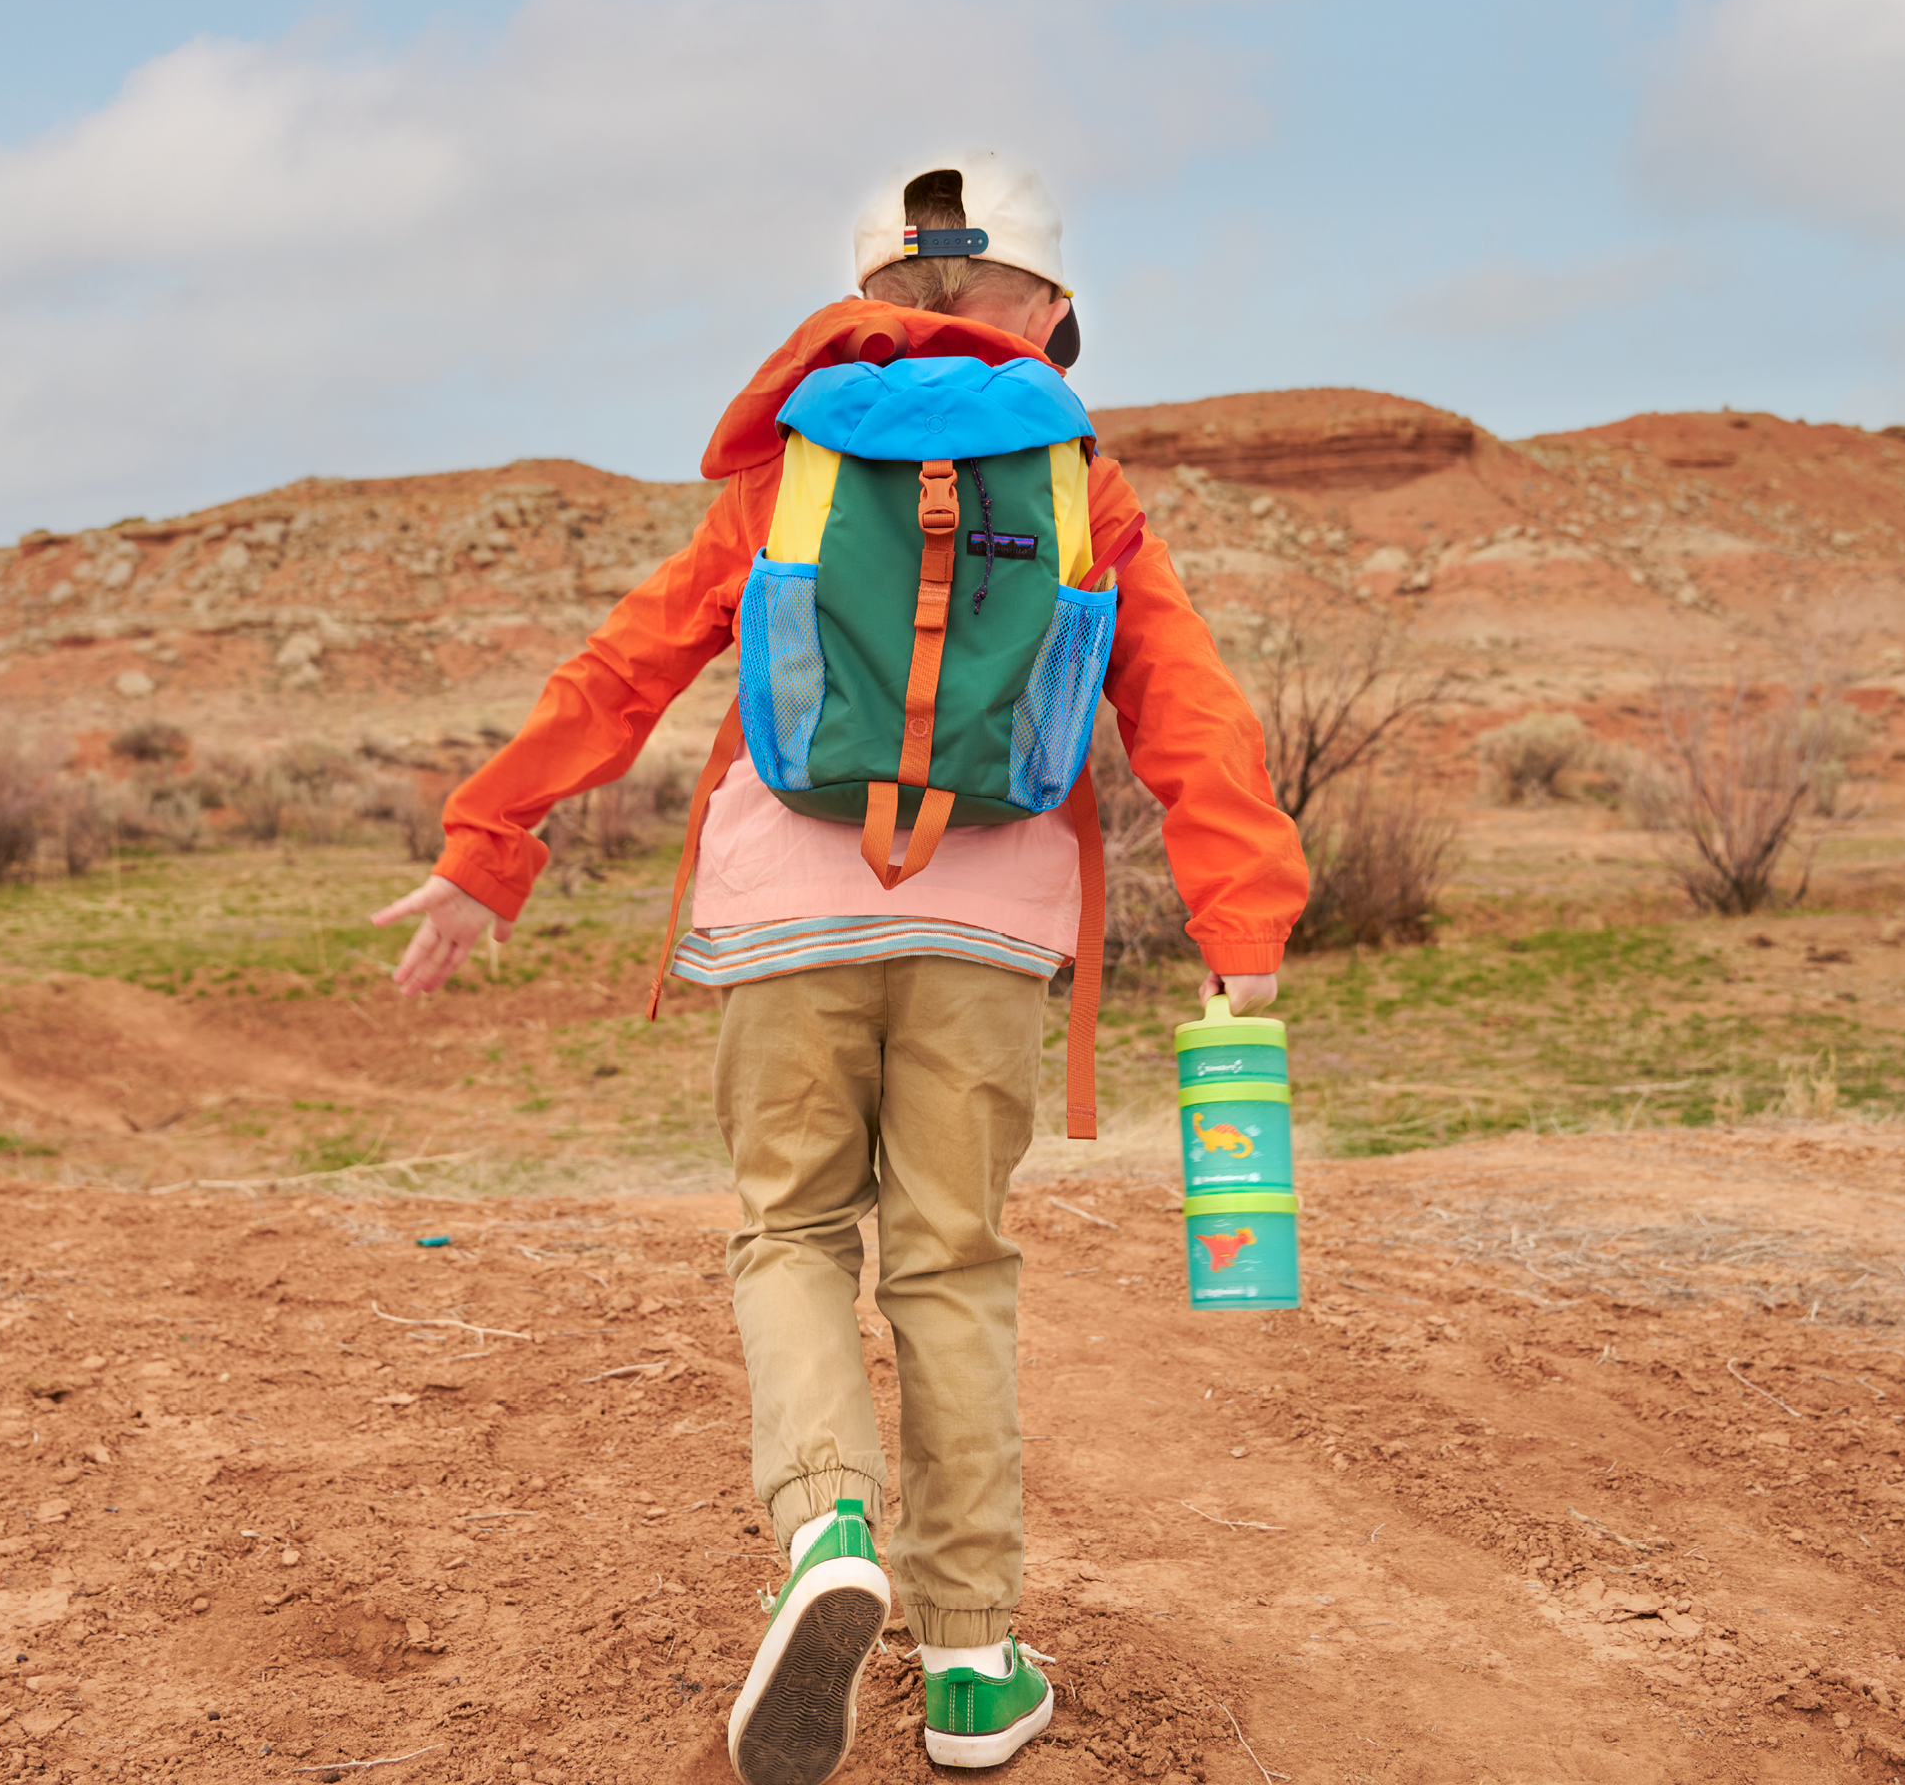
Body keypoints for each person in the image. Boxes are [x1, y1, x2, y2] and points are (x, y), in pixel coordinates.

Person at [373, 152, 1306, 1784]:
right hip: (987, 929)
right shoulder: (1083, 487)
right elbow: (1190, 716)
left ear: (872, 290)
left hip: (782, 917)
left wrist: (484, 850)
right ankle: (966, 1663)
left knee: (792, 1231)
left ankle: (824, 1532)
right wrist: (1240, 933)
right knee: (951, 1264)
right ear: (1048, 305)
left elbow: (625, 669)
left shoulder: (791, 471)